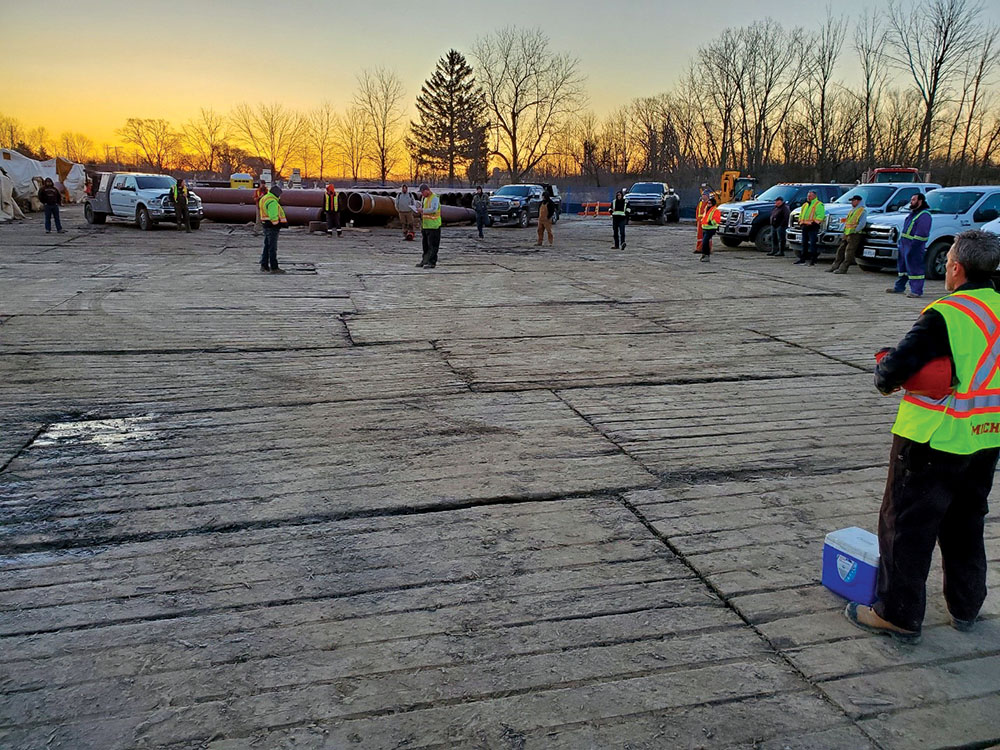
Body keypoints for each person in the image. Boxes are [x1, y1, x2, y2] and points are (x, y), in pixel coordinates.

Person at [845, 230, 1000, 644]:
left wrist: (883, 368)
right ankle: (966, 608)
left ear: (956, 267)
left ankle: (897, 614)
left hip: (932, 439)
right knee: (967, 523)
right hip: (985, 437)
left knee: (906, 527)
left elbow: (892, 372)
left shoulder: (948, 313)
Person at [888, 193, 932, 298]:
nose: (911, 202)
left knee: (915, 268)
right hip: (904, 245)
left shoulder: (924, 215)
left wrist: (913, 246)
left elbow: (922, 233)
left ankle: (916, 291)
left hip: (914, 246)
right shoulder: (913, 213)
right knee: (902, 268)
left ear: (920, 201)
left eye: (913, 200)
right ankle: (899, 287)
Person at [828, 195, 867, 274]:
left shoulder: (862, 210)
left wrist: (855, 230)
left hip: (855, 234)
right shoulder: (853, 210)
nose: (851, 202)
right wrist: (845, 233)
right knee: (841, 250)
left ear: (858, 201)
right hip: (847, 234)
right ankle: (835, 266)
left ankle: (843, 268)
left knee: (849, 252)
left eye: (853, 200)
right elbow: (848, 223)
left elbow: (862, 223)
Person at [259, 185, 287, 273]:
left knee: (267, 246)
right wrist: (277, 223)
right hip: (272, 226)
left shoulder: (264, 198)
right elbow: (273, 215)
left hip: (265, 225)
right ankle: (274, 267)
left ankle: (264, 265)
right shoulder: (273, 201)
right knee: (272, 248)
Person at [415, 183, 441, 269]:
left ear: (427, 190)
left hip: (434, 226)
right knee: (425, 246)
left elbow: (433, 209)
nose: (422, 194)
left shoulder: (435, 198)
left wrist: (422, 210)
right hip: (426, 226)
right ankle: (425, 261)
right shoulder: (424, 198)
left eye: (422, 192)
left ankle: (432, 262)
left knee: (433, 246)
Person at [796, 190, 825, 266]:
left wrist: (814, 223)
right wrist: (800, 222)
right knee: (804, 244)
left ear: (814, 196)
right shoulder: (805, 205)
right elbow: (801, 215)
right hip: (804, 227)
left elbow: (820, 216)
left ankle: (813, 260)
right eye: (808, 196)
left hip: (813, 227)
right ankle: (802, 259)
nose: (808, 197)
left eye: (810, 196)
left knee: (812, 244)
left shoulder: (819, 204)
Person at [698, 197, 721, 262]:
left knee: (705, 242)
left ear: (713, 203)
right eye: (708, 203)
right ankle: (705, 255)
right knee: (705, 242)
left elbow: (717, 220)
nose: (708, 204)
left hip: (711, 228)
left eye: (709, 203)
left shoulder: (716, 210)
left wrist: (711, 222)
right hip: (705, 227)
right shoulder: (706, 209)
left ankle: (706, 255)